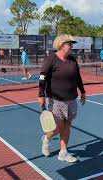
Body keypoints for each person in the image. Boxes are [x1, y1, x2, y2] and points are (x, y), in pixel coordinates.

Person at [39, 34, 86, 163]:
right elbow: (42, 77)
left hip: (71, 99)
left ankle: (63, 152)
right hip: (55, 100)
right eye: (69, 44)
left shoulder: (72, 60)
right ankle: (47, 139)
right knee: (59, 127)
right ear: (60, 45)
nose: (71, 46)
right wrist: (41, 94)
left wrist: (82, 91)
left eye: (72, 44)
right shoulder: (51, 59)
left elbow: (78, 78)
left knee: (67, 126)